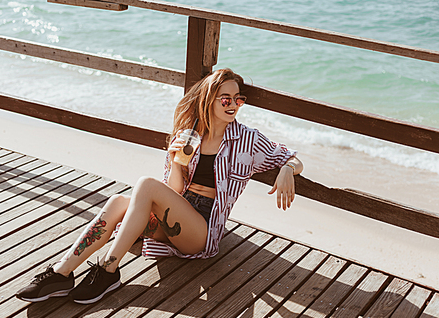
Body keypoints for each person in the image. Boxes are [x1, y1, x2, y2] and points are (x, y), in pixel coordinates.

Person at [15, 68, 303, 304]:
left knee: (145, 185)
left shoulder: (248, 140)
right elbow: (174, 191)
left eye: (237, 100)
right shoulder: (188, 136)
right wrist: (178, 161)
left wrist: (288, 169)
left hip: (202, 229)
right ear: (208, 100)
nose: (233, 105)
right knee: (117, 201)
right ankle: (61, 273)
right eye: (224, 99)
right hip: (179, 212)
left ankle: (107, 270)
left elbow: (292, 157)